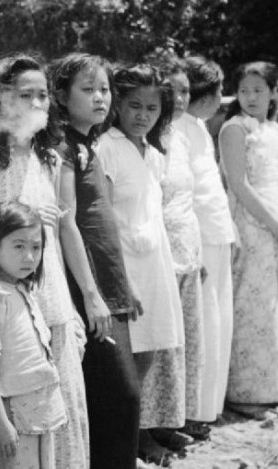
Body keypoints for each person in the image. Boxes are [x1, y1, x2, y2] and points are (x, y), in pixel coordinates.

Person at [0, 53, 89, 469]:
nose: (36, 103)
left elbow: (68, 231)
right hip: (2, 305)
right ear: (0, 100)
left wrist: (88, 297)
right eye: (24, 95)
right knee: (13, 412)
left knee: (59, 402)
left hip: (50, 296)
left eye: (42, 95)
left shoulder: (50, 158)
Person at [48, 53, 142, 469]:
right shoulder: (66, 145)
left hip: (109, 283)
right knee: (119, 397)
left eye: (104, 89)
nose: (100, 97)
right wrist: (91, 293)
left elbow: (103, 222)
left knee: (116, 401)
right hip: (89, 288)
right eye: (87, 90)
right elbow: (66, 220)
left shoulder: (90, 142)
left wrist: (125, 286)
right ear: (62, 97)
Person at [97, 64, 185, 466]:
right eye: (134, 105)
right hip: (125, 264)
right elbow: (104, 216)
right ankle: (121, 444)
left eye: (151, 107)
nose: (143, 115)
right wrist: (118, 280)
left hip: (154, 263)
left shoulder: (152, 150)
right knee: (124, 363)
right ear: (117, 104)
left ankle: (136, 436)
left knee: (148, 353)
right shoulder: (108, 147)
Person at [0, 201, 68, 469]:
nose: (29, 257)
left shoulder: (25, 291)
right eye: (19, 246)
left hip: (42, 408)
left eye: (36, 247)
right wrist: (2, 424)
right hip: (14, 415)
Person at [176, 56, 234, 431]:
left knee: (220, 325)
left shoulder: (197, 126)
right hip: (199, 240)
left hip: (217, 233)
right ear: (207, 94)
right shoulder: (178, 130)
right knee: (205, 329)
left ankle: (209, 408)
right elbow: (188, 195)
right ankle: (195, 412)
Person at [219, 61, 278, 420]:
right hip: (252, 222)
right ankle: (244, 392)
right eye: (244, 90)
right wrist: (272, 223)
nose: (251, 97)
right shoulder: (234, 129)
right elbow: (238, 185)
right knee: (250, 304)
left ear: (273, 92)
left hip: (274, 216)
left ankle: (271, 387)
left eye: (259, 89)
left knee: (272, 307)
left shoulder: (272, 128)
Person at [153, 57, 206, 449]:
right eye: (173, 90)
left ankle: (172, 420)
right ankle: (146, 430)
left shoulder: (185, 134)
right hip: (159, 250)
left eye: (187, 90)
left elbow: (191, 198)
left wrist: (199, 249)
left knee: (185, 341)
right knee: (159, 345)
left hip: (188, 244)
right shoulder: (149, 138)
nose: (181, 98)